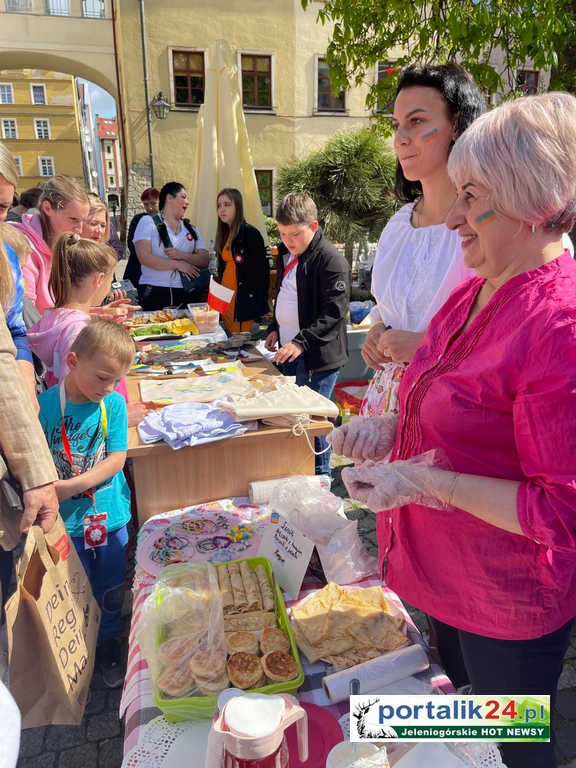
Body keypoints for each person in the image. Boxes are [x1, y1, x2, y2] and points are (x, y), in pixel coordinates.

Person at [331, 92, 576, 768]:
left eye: (473, 197)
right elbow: (438, 393)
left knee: (516, 744)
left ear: (532, 199)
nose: (456, 220)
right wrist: (387, 430)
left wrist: (428, 480)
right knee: (465, 726)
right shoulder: (477, 284)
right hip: (444, 575)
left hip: (507, 599)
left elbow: (561, 510)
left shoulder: (560, 323)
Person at [360, 64, 485, 417]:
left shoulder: (488, 225)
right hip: (387, 413)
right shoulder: (397, 228)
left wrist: (425, 346)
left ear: (457, 126)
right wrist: (378, 333)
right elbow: (385, 310)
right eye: (397, 125)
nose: (400, 138)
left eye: (416, 121)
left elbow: (510, 329)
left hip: (454, 417)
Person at [38, 319, 134, 687]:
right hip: (67, 524)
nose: (109, 387)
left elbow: (116, 460)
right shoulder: (45, 407)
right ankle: (80, 642)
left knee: (111, 585)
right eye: (103, 377)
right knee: (75, 585)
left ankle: (110, 639)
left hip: (110, 519)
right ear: (74, 362)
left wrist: (68, 487)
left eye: (116, 380)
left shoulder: (113, 404)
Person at [265, 193, 349, 475]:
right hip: (290, 351)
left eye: (295, 234)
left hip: (318, 358)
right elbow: (284, 294)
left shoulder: (330, 259)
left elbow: (334, 313)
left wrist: (301, 342)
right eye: (283, 233)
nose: (289, 240)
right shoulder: (289, 254)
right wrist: (275, 326)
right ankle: (299, 472)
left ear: (313, 227)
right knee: (294, 420)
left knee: (314, 423)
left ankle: (320, 477)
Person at [27, 233, 118, 388]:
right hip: (77, 412)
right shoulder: (78, 331)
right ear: (99, 280)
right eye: (110, 281)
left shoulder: (53, 317)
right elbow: (74, 392)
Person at [12, 175, 90, 313]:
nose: (80, 229)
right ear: (47, 208)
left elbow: (64, 309)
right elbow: (27, 315)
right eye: (73, 219)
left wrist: (99, 313)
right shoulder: (23, 247)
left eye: (84, 221)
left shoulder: (65, 243)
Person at [133, 181, 209, 310]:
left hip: (187, 291)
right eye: (183, 197)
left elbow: (205, 260)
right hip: (155, 290)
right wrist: (178, 264)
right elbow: (144, 258)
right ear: (169, 198)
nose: (188, 202)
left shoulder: (191, 229)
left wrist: (181, 255)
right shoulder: (147, 222)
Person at [215, 187, 269, 334]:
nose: (222, 209)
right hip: (226, 300)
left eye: (227, 205)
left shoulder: (250, 233)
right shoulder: (224, 233)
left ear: (237, 206)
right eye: (219, 205)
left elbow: (262, 273)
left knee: (242, 344)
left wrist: (259, 305)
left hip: (244, 302)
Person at [124, 187, 159, 288]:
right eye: (146, 204)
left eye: (153, 203)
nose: (149, 208)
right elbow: (131, 243)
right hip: (137, 270)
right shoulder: (137, 219)